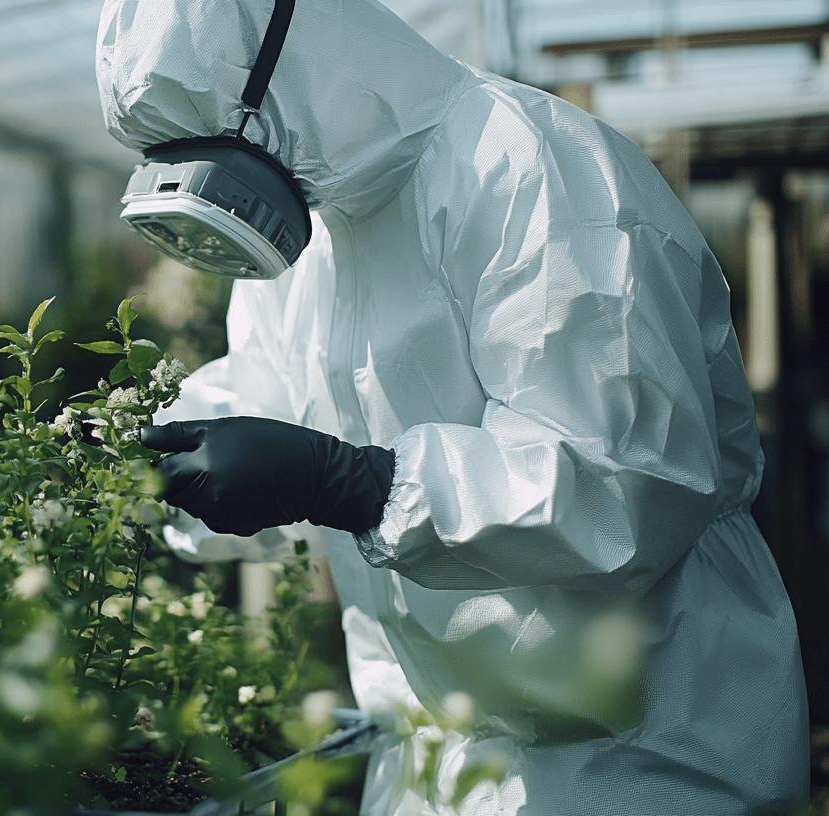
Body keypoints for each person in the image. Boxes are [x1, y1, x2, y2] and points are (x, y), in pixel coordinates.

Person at [96, 1, 809, 813]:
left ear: (291, 66)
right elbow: (266, 391)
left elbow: (619, 483)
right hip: (435, 749)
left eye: (212, 141)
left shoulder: (526, 166)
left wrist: (354, 482)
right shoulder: (316, 225)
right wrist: (139, 459)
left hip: (638, 749)